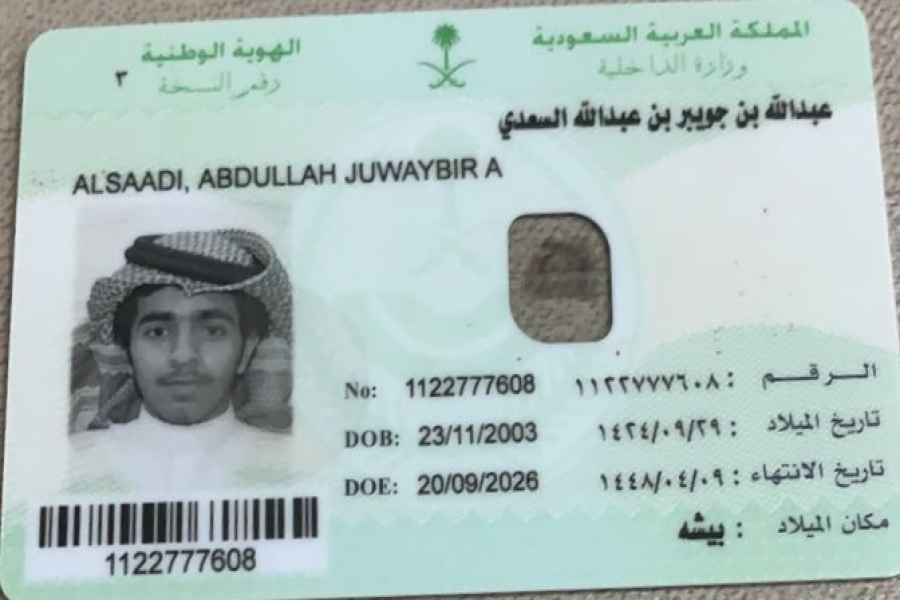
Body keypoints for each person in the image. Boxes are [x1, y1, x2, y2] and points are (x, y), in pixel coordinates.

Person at [69, 229, 296, 491]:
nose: (184, 356)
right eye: (158, 332)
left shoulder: (292, 466)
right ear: (125, 352)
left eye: (213, 331)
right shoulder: (75, 463)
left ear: (246, 351)